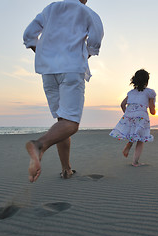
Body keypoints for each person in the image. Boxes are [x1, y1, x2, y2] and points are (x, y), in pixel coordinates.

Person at [22, 0, 104, 182]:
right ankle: (39, 146)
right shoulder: (86, 12)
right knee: (71, 123)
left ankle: (66, 169)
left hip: (48, 72)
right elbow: (96, 40)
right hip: (71, 70)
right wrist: (81, 56)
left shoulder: (50, 9)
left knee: (62, 121)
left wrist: (47, 55)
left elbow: (28, 35)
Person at [109, 69, 156, 167]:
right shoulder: (150, 92)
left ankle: (129, 144)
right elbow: (152, 110)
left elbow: (122, 104)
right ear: (147, 81)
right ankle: (135, 162)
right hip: (142, 116)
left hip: (130, 115)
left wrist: (128, 114)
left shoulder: (130, 92)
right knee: (141, 139)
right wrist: (153, 111)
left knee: (135, 133)